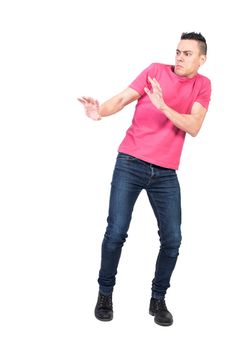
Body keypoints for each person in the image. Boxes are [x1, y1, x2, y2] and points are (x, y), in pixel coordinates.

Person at [78, 32, 211, 326]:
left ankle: (158, 299)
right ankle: (105, 294)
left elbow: (194, 126)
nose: (179, 56)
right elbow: (124, 98)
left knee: (173, 239)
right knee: (116, 232)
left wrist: (163, 106)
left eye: (187, 53)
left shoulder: (203, 85)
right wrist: (99, 112)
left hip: (165, 173)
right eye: (178, 51)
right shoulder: (155, 71)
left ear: (202, 59)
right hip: (131, 162)